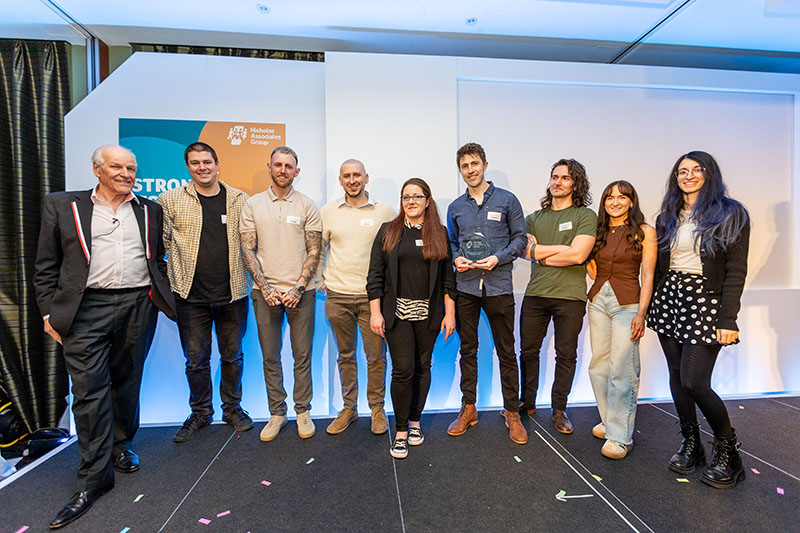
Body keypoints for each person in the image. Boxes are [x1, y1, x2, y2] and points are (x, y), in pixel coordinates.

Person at [33, 145, 176, 529]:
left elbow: (156, 257)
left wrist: (157, 293)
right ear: (97, 169)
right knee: (89, 392)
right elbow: (46, 265)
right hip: (84, 310)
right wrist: (49, 312)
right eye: (117, 166)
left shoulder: (150, 210)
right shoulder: (64, 205)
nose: (126, 172)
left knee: (128, 383)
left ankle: (121, 446)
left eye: (131, 167)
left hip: (136, 306)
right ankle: (92, 480)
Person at [648, 151, 749, 488]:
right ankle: (692, 445)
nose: (688, 176)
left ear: (709, 174)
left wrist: (728, 319)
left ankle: (729, 452)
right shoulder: (668, 216)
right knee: (677, 377)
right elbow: (662, 264)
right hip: (670, 298)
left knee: (695, 381)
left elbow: (735, 271)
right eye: (681, 171)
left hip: (706, 301)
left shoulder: (731, 213)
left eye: (696, 170)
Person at [157, 142, 253, 443]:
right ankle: (200, 412)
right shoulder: (169, 200)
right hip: (190, 297)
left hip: (233, 294)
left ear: (217, 164)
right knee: (196, 360)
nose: (202, 167)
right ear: (188, 167)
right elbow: (162, 245)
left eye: (207, 162)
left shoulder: (239, 199)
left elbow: (251, 245)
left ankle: (232, 408)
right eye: (195, 163)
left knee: (233, 356)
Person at [367, 178, 456, 459]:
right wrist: (375, 312)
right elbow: (375, 275)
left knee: (422, 367)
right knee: (402, 369)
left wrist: (450, 314)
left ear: (428, 201)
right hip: (397, 315)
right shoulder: (388, 231)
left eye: (417, 196)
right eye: (406, 197)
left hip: (429, 315)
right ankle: (402, 431)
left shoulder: (439, 233)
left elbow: (447, 279)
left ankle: (416, 422)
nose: (411, 201)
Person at [446, 142, 528, 445]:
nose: (470, 170)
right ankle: (469, 408)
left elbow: (520, 239)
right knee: (468, 350)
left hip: (499, 286)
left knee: (506, 351)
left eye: (474, 164)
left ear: (485, 165)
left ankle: (511, 411)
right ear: (460, 170)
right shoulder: (455, 207)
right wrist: (456, 258)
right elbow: (452, 243)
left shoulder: (507, 201)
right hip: (466, 287)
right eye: (464, 166)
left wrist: (499, 258)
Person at [240, 146, 322, 442]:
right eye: (278, 165)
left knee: (302, 355)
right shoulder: (253, 204)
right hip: (265, 295)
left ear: (296, 171)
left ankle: (303, 410)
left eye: (289, 166)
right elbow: (247, 249)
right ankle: (277, 412)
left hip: (303, 292)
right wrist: (266, 287)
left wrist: (299, 286)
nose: (283, 170)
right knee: (270, 356)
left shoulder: (307, 205)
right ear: (270, 167)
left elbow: (315, 249)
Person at [318, 159, 395, 435]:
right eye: (346, 176)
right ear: (340, 180)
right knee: (345, 355)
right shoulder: (329, 211)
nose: (352, 180)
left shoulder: (384, 211)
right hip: (337, 297)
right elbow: (318, 248)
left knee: (376, 356)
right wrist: (319, 280)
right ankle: (349, 408)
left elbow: (393, 252)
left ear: (366, 178)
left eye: (357, 175)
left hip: (372, 300)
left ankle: (377, 408)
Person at [520, 158, 596, 434]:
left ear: (576, 183)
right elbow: (526, 252)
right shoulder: (533, 218)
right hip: (536, 294)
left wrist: (543, 254)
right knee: (528, 352)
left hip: (571, 297)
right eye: (554, 177)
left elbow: (579, 254)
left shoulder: (585, 216)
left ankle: (559, 409)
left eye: (564, 178)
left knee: (566, 354)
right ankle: (526, 403)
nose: (557, 182)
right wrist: (560, 251)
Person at [586, 181, 656, 459]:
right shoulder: (598, 231)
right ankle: (609, 421)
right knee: (599, 367)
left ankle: (620, 436)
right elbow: (590, 265)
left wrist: (642, 312)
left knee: (622, 369)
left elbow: (648, 275)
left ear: (631, 201)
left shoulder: (645, 232)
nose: (614, 202)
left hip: (628, 304)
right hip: (598, 301)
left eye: (621, 197)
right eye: (609, 197)